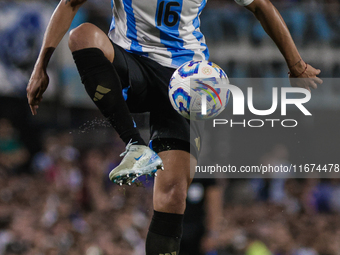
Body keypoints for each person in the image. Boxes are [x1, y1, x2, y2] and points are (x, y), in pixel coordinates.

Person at [26, 0, 322, 254]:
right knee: (83, 35)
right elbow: (69, 3)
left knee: (173, 193)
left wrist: (295, 64)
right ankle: (134, 144)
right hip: (132, 65)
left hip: (185, 82)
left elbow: (261, 5)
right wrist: (41, 66)